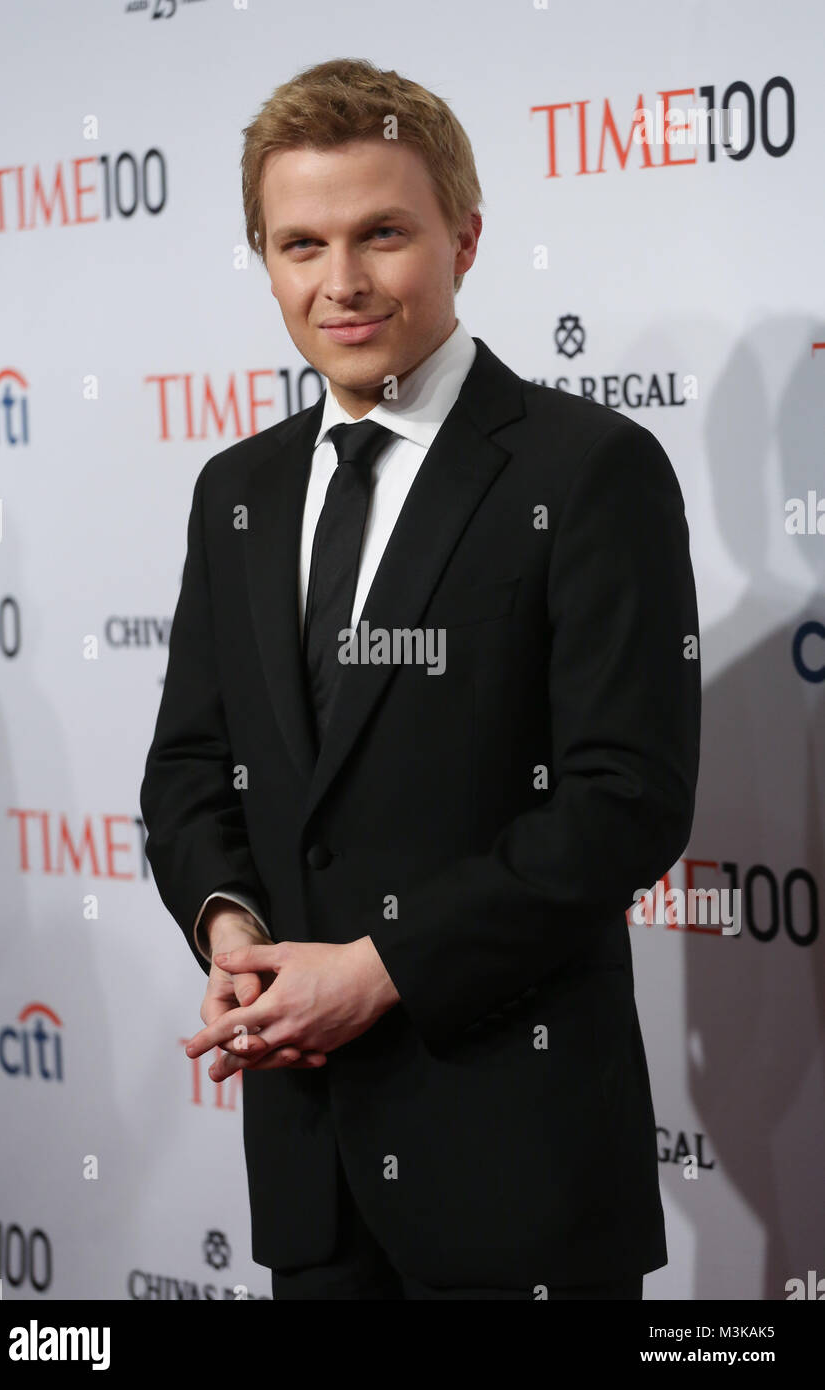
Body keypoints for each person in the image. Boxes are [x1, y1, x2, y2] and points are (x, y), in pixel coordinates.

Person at [140, 56, 701, 1300]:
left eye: (380, 233)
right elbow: (190, 765)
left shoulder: (588, 468)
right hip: (308, 1167)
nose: (337, 282)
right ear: (265, 258)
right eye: (298, 244)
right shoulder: (234, 491)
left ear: (465, 234)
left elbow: (627, 797)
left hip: (520, 1173)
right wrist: (228, 925)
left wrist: (381, 966)